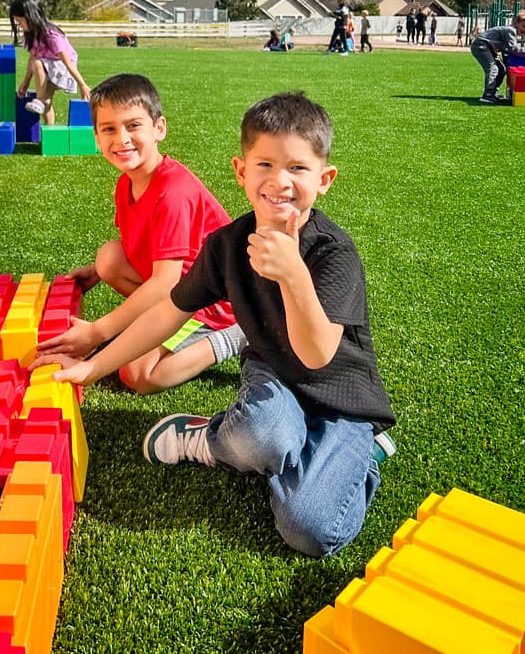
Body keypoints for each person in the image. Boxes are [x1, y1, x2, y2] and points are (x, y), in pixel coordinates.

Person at [51, 92, 396, 557]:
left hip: (341, 399)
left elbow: (317, 356)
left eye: (297, 168)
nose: (280, 181)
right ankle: (223, 439)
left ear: (324, 178)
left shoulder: (334, 254)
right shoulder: (226, 247)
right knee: (265, 435)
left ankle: (356, 454)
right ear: (240, 171)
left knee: (308, 531)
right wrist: (93, 365)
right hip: (275, 376)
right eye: (265, 165)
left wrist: (293, 273)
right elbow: (165, 314)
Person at [33, 73, 245, 393]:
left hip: (210, 303)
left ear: (159, 128)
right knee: (108, 258)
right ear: (96, 137)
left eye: (133, 126)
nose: (122, 139)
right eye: (109, 129)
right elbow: (145, 249)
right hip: (179, 287)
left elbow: (166, 284)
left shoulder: (173, 192)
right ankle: (151, 328)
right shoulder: (127, 182)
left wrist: (97, 333)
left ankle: (234, 335)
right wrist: (94, 274)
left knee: (138, 375)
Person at [11, 0, 90, 125]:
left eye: (20, 21)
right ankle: (50, 132)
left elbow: (67, 62)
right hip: (46, 65)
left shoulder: (52, 36)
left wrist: (82, 85)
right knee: (46, 102)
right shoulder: (30, 35)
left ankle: (40, 99)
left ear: (30, 17)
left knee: (43, 96)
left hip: (61, 67)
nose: (19, 26)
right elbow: (32, 58)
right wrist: (26, 81)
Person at [470, 11, 525, 103]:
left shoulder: (512, 32)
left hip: (487, 47)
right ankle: (488, 95)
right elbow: (513, 48)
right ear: (517, 23)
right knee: (493, 69)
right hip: (481, 46)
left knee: (501, 68)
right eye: (524, 26)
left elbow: (507, 50)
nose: (524, 30)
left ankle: (493, 92)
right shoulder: (510, 30)